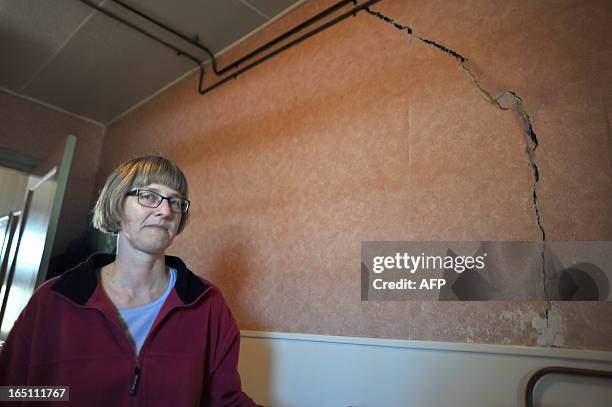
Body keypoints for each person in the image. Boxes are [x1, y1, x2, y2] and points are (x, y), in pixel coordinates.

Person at [0, 155, 260, 406]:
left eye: (176, 201)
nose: (166, 210)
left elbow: (223, 401)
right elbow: (11, 391)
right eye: (149, 196)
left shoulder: (208, 304)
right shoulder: (54, 299)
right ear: (117, 204)